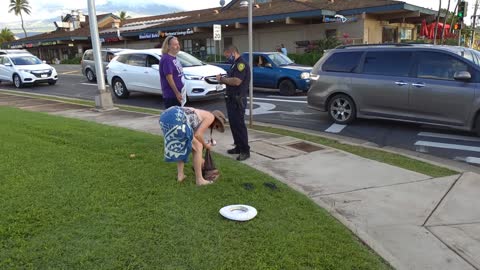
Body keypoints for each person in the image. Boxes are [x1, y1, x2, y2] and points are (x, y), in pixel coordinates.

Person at [159, 106, 226, 186]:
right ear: (216, 120)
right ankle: (200, 180)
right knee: (199, 146)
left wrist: (200, 158)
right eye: (217, 126)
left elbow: (193, 138)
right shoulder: (210, 116)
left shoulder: (199, 115)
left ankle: (180, 176)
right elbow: (198, 135)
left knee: (184, 146)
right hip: (176, 117)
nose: (215, 128)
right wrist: (206, 145)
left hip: (164, 117)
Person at [216, 45, 251, 161]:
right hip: (231, 99)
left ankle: (245, 150)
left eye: (227, 56)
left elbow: (236, 81)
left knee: (239, 125)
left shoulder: (241, 65)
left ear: (233, 53)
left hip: (238, 100)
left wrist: (221, 79)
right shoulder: (234, 64)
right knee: (233, 125)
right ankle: (238, 147)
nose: (227, 58)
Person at [159, 36, 184, 109]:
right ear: (168, 46)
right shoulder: (167, 59)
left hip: (180, 93)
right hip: (172, 95)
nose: (178, 46)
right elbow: (169, 78)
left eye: (178, 44)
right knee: (173, 118)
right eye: (175, 44)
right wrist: (177, 93)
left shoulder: (174, 58)